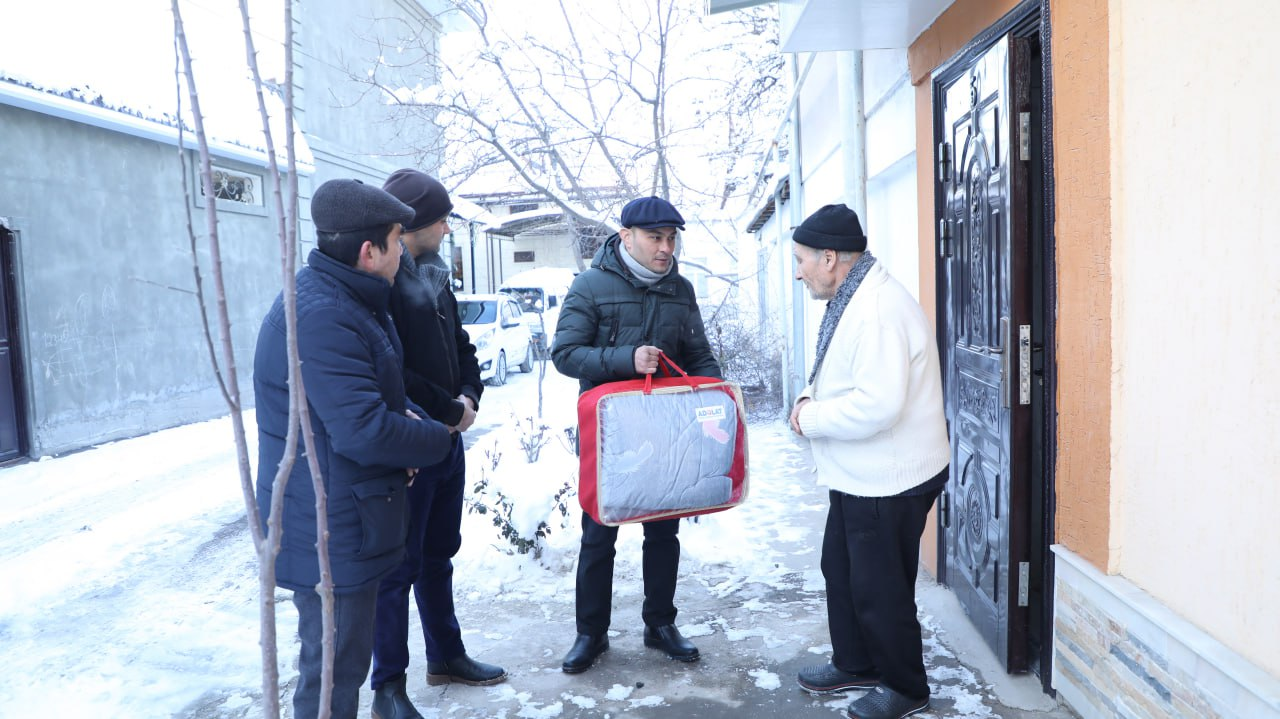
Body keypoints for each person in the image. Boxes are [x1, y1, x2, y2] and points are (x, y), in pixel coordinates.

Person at [253, 179, 454, 719]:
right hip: (328, 530)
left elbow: (376, 399)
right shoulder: (324, 315)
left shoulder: (348, 299)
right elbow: (364, 430)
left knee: (341, 667)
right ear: (370, 251)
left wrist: (407, 427)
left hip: (345, 517)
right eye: (396, 240)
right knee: (332, 678)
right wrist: (438, 436)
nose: (403, 252)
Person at [786, 204, 950, 719]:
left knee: (881, 589)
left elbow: (878, 405)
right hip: (862, 474)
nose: (798, 272)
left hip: (889, 478)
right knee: (840, 568)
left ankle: (905, 685)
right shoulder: (853, 295)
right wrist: (809, 398)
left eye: (801, 260)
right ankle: (856, 662)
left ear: (829, 258)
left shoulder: (878, 309)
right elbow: (839, 370)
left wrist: (812, 418)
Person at [551, 196, 721, 674]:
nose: (666, 248)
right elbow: (565, 354)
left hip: (665, 431)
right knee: (599, 533)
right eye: (655, 238)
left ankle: (660, 624)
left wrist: (718, 403)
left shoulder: (680, 290)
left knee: (664, 531)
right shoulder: (590, 285)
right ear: (626, 237)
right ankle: (591, 633)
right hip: (608, 435)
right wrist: (626, 360)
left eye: (671, 238)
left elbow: (699, 356)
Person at [369, 169, 505, 719]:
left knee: (438, 554)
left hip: (448, 442)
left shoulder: (434, 276)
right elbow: (392, 370)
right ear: (412, 224)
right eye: (442, 220)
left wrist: (469, 396)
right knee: (398, 568)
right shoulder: (384, 284)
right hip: (413, 443)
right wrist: (447, 411)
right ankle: (388, 687)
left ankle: (446, 656)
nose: (449, 228)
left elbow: (462, 346)